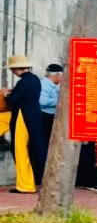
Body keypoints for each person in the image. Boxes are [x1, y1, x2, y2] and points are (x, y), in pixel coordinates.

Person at [3, 55, 47, 193]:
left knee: (20, 150)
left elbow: (13, 100)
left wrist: (6, 94)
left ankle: (25, 185)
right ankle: (31, 183)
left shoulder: (23, 82)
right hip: (34, 117)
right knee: (32, 150)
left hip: (22, 118)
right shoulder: (35, 79)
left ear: (16, 69)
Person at [40, 63, 62, 140]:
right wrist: (60, 101)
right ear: (57, 75)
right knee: (47, 139)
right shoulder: (45, 84)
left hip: (49, 116)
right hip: (45, 117)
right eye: (62, 76)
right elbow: (42, 101)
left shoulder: (51, 84)